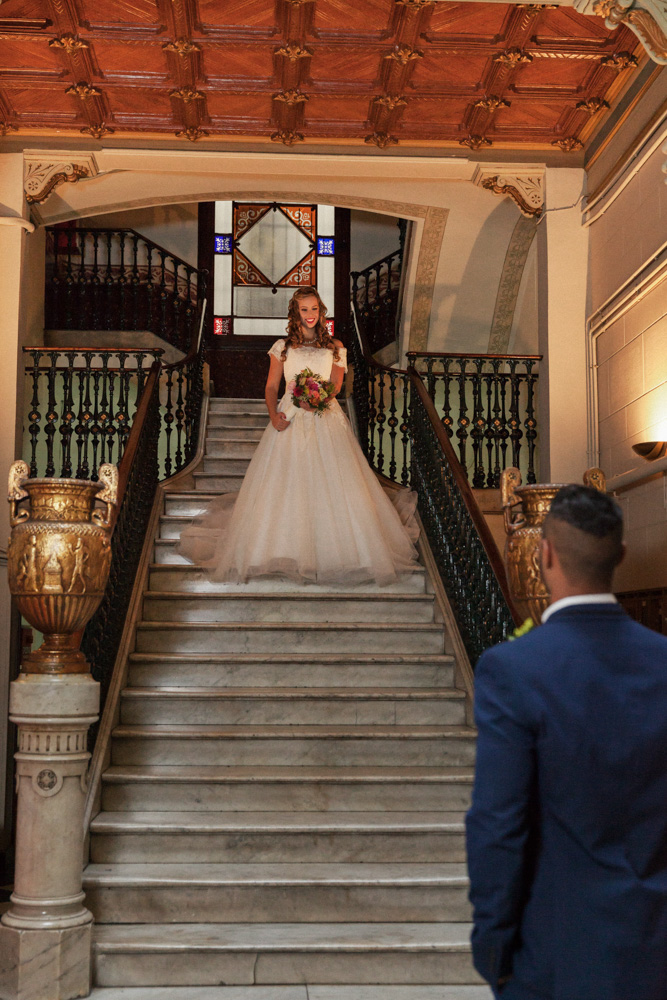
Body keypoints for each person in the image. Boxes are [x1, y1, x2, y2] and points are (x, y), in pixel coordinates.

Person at [466, 484, 667, 1000]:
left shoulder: (513, 670)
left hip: (557, 959)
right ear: (620, 556)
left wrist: (494, 953)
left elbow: (498, 825)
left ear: (544, 554)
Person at [176, 286, 419, 585]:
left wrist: (316, 399)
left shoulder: (335, 347)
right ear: (295, 312)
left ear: (321, 311)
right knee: (286, 483)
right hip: (288, 418)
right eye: (304, 310)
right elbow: (270, 387)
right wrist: (273, 414)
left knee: (334, 482)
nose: (310, 315)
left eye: (314, 309)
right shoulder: (283, 348)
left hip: (325, 418)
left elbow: (336, 386)